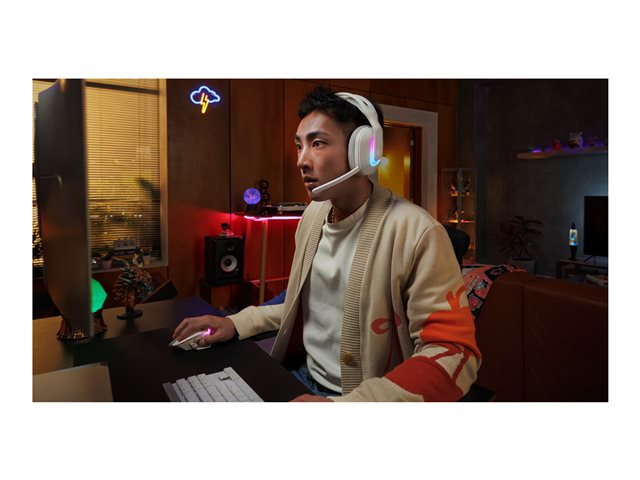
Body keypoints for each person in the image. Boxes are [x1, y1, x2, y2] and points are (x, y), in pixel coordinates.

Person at [172, 85, 481, 402]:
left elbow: (454, 353)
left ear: (364, 149)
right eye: (299, 146)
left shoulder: (418, 232)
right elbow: (305, 306)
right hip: (298, 376)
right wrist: (235, 323)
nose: (301, 161)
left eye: (317, 143)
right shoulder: (313, 216)